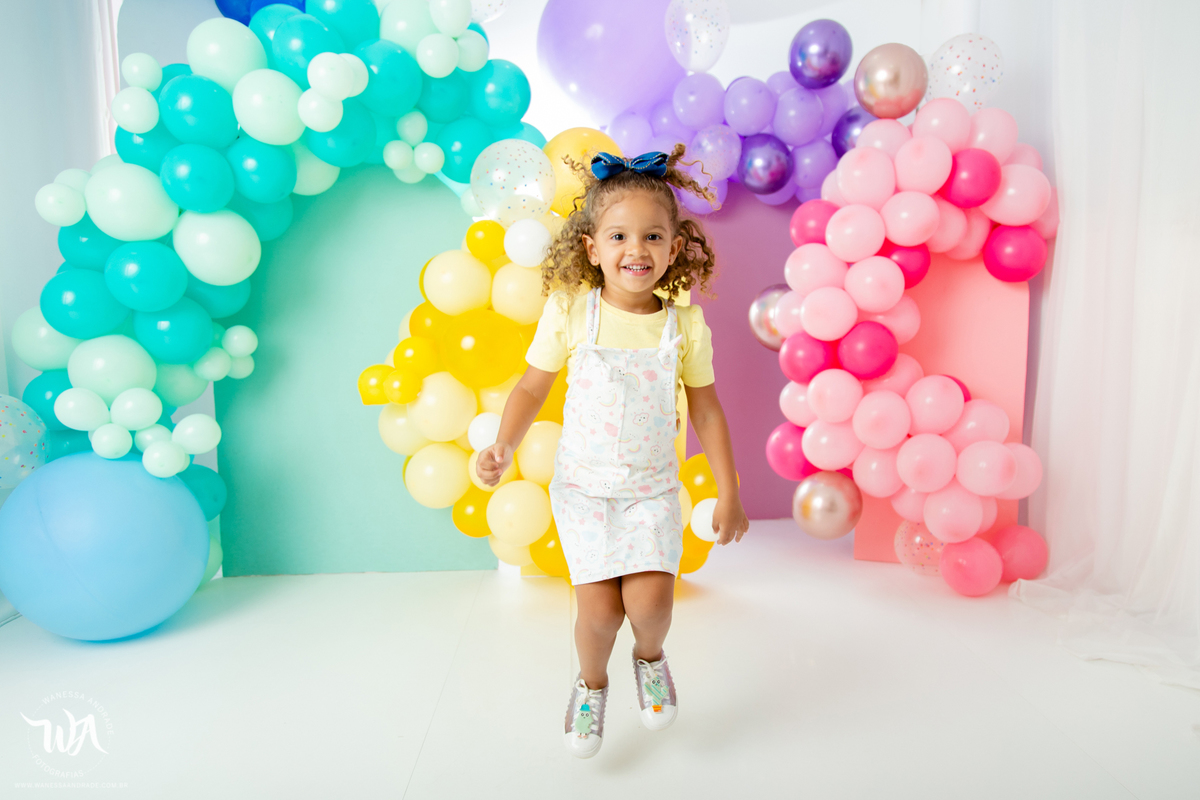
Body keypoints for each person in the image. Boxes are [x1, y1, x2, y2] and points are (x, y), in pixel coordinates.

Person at [476, 145, 749, 759]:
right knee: (599, 614)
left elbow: (706, 410)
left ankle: (649, 659)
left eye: (653, 236)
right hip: (585, 491)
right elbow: (531, 387)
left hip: (651, 491)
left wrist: (729, 490)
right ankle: (590, 684)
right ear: (592, 248)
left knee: (651, 603)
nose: (636, 249)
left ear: (674, 249)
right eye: (619, 236)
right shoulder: (572, 312)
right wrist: (504, 443)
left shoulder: (685, 327)